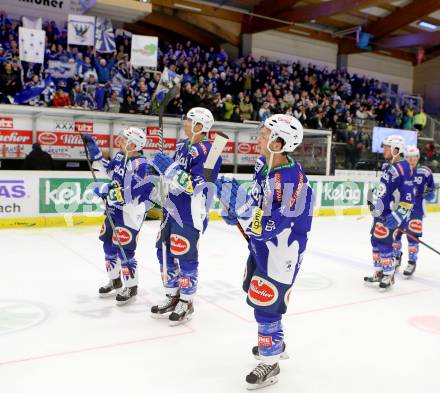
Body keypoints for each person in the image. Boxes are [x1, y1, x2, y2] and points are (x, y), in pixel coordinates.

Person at [216, 114, 313, 389]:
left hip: (282, 250)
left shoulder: (294, 182)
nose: (258, 138)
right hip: (261, 245)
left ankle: (270, 363)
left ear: (279, 143)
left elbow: (270, 224)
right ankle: (275, 342)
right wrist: (236, 211)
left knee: (266, 302)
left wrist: (244, 214)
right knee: (253, 289)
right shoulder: (263, 164)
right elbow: (257, 202)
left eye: (264, 134)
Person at [149, 107, 222, 325]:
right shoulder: (182, 145)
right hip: (171, 208)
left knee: (185, 254)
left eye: (189, 121)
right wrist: (159, 169)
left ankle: (187, 300)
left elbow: (196, 186)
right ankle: (172, 295)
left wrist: (170, 168)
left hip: (190, 213)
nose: (185, 124)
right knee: (163, 252)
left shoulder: (210, 150)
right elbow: (171, 171)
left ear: (200, 126)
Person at [83, 127, 156, 305]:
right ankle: (115, 280)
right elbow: (110, 172)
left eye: (123, 140)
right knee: (108, 244)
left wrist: (106, 191)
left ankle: (131, 286)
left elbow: (132, 195)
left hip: (130, 214)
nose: (119, 142)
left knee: (125, 250)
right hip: (113, 210)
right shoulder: (120, 157)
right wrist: (97, 156)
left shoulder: (142, 166)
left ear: (133, 144)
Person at [364, 135, 414, 290]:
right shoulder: (388, 167)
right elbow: (385, 190)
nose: (384, 150)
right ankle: (379, 272)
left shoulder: (403, 168)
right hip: (380, 212)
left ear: (396, 149)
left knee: (385, 243)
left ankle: (389, 274)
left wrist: (398, 215)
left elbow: (408, 197)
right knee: (375, 240)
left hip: (389, 214)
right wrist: (374, 202)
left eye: (386, 147)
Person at [393, 146, 436, 277]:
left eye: (414, 157)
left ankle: (412, 261)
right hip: (400, 209)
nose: (412, 160)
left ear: (418, 157)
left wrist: (425, 193)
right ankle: (396, 258)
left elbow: (432, 194)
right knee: (395, 236)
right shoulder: (400, 171)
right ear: (405, 158)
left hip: (416, 210)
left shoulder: (426, 172)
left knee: (413, 238)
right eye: (409, 157)